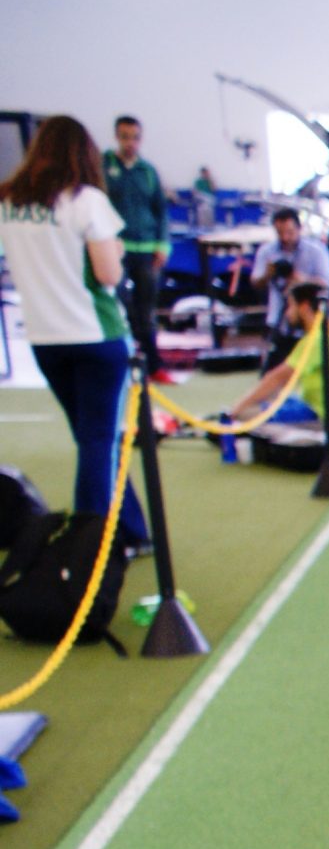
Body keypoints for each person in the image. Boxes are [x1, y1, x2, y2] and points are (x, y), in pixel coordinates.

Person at [0, 114, 150, 545]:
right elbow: (107, 274)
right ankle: (89, 547)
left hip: (46, 340)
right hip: (96, 336)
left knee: (94, 441)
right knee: (99, 442)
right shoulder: (86, 201)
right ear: (84, 153)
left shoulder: (10, 201)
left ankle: (133, 531)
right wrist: (116, 251)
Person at [227, 281, 329, 433]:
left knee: (247, 413)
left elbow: (276, 378)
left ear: (304, 307)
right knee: (277, 398)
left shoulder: (317, 339)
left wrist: (236, 410)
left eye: (290, 306)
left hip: (324, 412)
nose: (287, 313)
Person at [103, 115, 170, 383]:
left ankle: (154, 366)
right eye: (124, 136)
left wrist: (162, 245)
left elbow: (161, 211)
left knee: (146, 311)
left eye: (135, 137)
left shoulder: (148, 172)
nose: (130, 142)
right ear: (117, 137)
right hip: (114, 249)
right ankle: (123, 366)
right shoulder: (104, 167)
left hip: (146, 249)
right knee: (119, 307)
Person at [245, 208, 329, 368]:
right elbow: (255, 282)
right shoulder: (267, 252)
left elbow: (327, 284)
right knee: (275, 367)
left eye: (290, 232)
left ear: (300, 228)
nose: (285, 237)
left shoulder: (317, 251)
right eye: (280, 232)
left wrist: (302, 280)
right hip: (279, 317)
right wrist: (267, 274)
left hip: (310, 318)